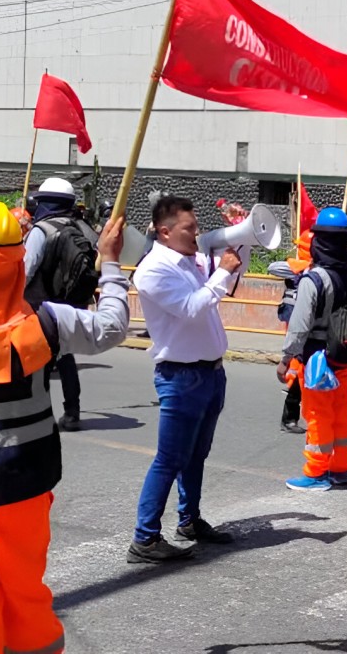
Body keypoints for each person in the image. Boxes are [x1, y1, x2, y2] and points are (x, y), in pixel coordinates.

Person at [0, 201, 131, 654]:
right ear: (19, 260)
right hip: (24, 483)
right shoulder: (46, 322)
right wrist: (111, 261)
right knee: (25, 589)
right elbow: (113, 326)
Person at [128, 196, 246, 563]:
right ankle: (144, 538)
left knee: (196, 456)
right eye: (189, 228)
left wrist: (235, 250)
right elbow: (192, 309)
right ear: (164, 231)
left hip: (209, 372)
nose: (197, 233)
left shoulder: (186, 260)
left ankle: (189, 520)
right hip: (181, 376)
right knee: (169, 459)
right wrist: (222, 271)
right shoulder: (152, 270)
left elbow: (223, 287)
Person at [276, 208, 347, 492]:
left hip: (317, 358)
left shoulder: (312, 280)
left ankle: (316, 473)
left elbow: (300, 325)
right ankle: (340, 468)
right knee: (342, 412)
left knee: (317, 415)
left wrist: (286, 358)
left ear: (318, 241)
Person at [23, 177, 98, 433]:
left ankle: (37, 413)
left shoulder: (41, 230)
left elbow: (27, 269)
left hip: (42, 305)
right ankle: (72, 412)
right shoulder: (84, 228)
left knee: (38, 359)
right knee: (65, 356)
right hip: (73, 304)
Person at [269, 232, 314, 435]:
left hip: (313, 325)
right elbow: (272, 268)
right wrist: (301, 266)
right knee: (297, 368)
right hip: (297, 323)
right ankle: (289, 419)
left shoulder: (318, 271)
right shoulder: (296, 268)